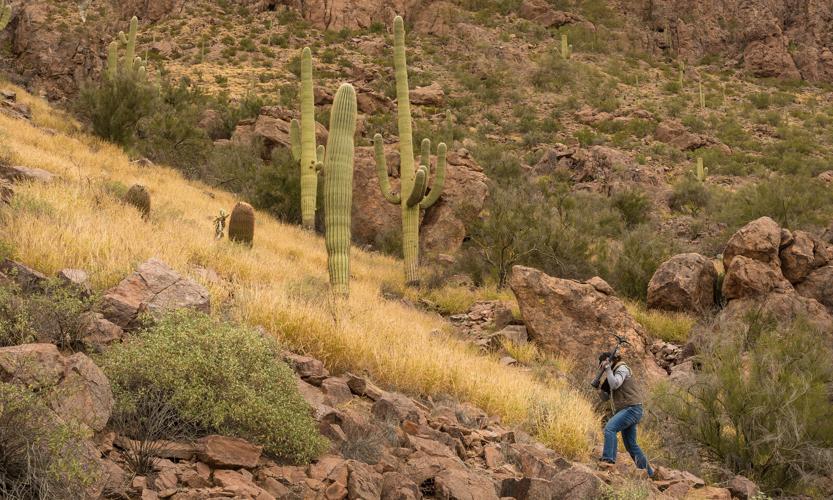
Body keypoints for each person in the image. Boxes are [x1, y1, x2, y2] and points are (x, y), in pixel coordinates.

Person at [596, 351, 654, 477]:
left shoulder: (622, 368)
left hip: (632, 408)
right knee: (631, 445)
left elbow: (615, 384)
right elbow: (605, 398)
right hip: (628, 410)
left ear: (608, 361)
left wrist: (607, 369)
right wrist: (599, 389)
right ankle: (650, 474)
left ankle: (608, 461)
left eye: (602, 365)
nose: (602, 368)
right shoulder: (611, 373)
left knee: (610, 428)